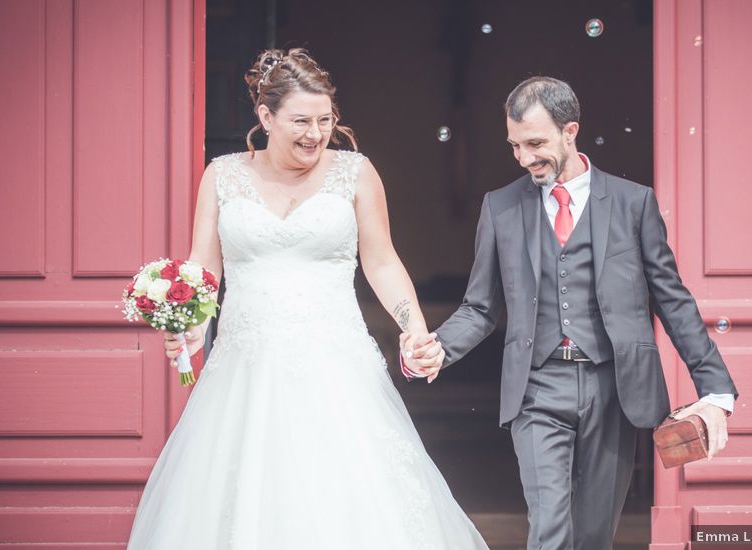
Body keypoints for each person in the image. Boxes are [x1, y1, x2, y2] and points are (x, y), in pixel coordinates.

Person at [126, 48, 488, 550]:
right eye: (300, 121)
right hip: (244, 371)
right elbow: (204, 269)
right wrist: (189, 325)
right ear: (265, 117)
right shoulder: (222, 175)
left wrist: (413, 327)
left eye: (325, 120)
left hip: (336, 365)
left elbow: (380, 260)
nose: (315, 134)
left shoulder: (356, 173)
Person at [401, 76, 739, 550]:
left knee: (594, 536)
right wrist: (437, 347)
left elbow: (671, 298)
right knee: (550, 531)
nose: (523, 157)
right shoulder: (499, 208)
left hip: (615, 388)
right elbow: (480, 307)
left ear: (570, 130)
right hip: (537, 390)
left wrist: (716, 387)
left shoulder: (632, 203)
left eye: (535, 143)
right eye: (514, 145)